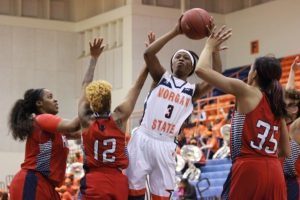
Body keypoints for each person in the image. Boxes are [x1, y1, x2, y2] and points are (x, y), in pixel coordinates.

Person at [126, 19, 225, 199]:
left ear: (192, 68)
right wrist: (175, 31)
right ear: (171, 64)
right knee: (133, 193)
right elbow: (148, 54)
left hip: (166, 144)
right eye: (177, 57)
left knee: (161, 195)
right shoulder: (160, 78)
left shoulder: (193, 91)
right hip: (144, 137)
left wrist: (213, 49)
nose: (180, 59)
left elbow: (216, 76)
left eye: (185, 58)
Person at [195, 25, 290, 199]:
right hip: (274, 170)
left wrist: (209, 46)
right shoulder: (277, 104)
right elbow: (285, 150)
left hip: (249, 167)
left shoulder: (246, 90)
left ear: (253, 75)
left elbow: (201, 70)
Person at [77, 35, 152, 199]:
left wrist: (93, 59)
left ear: (91, 100)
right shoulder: (119, 118)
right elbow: (137, 87)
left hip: (94, 180)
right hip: (118, 181)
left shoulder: (85, 119)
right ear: (110, 100)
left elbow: (85, 86)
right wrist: (149, 59)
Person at [8, 87, 81, 199]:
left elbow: (85, 132)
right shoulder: (41, 119)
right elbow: (73, 125)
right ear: (39, 103)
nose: (55, 100)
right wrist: (87, 103)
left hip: (48, 185)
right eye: (50, 97)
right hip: (32, 181)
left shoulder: (58, 132)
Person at [282, 56, 300, 200]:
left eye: (288, 104)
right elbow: (289, 92)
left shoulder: (296, 125)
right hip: (281, 177)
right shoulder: (284, 122)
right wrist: (293, 72)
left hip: (294, 180)